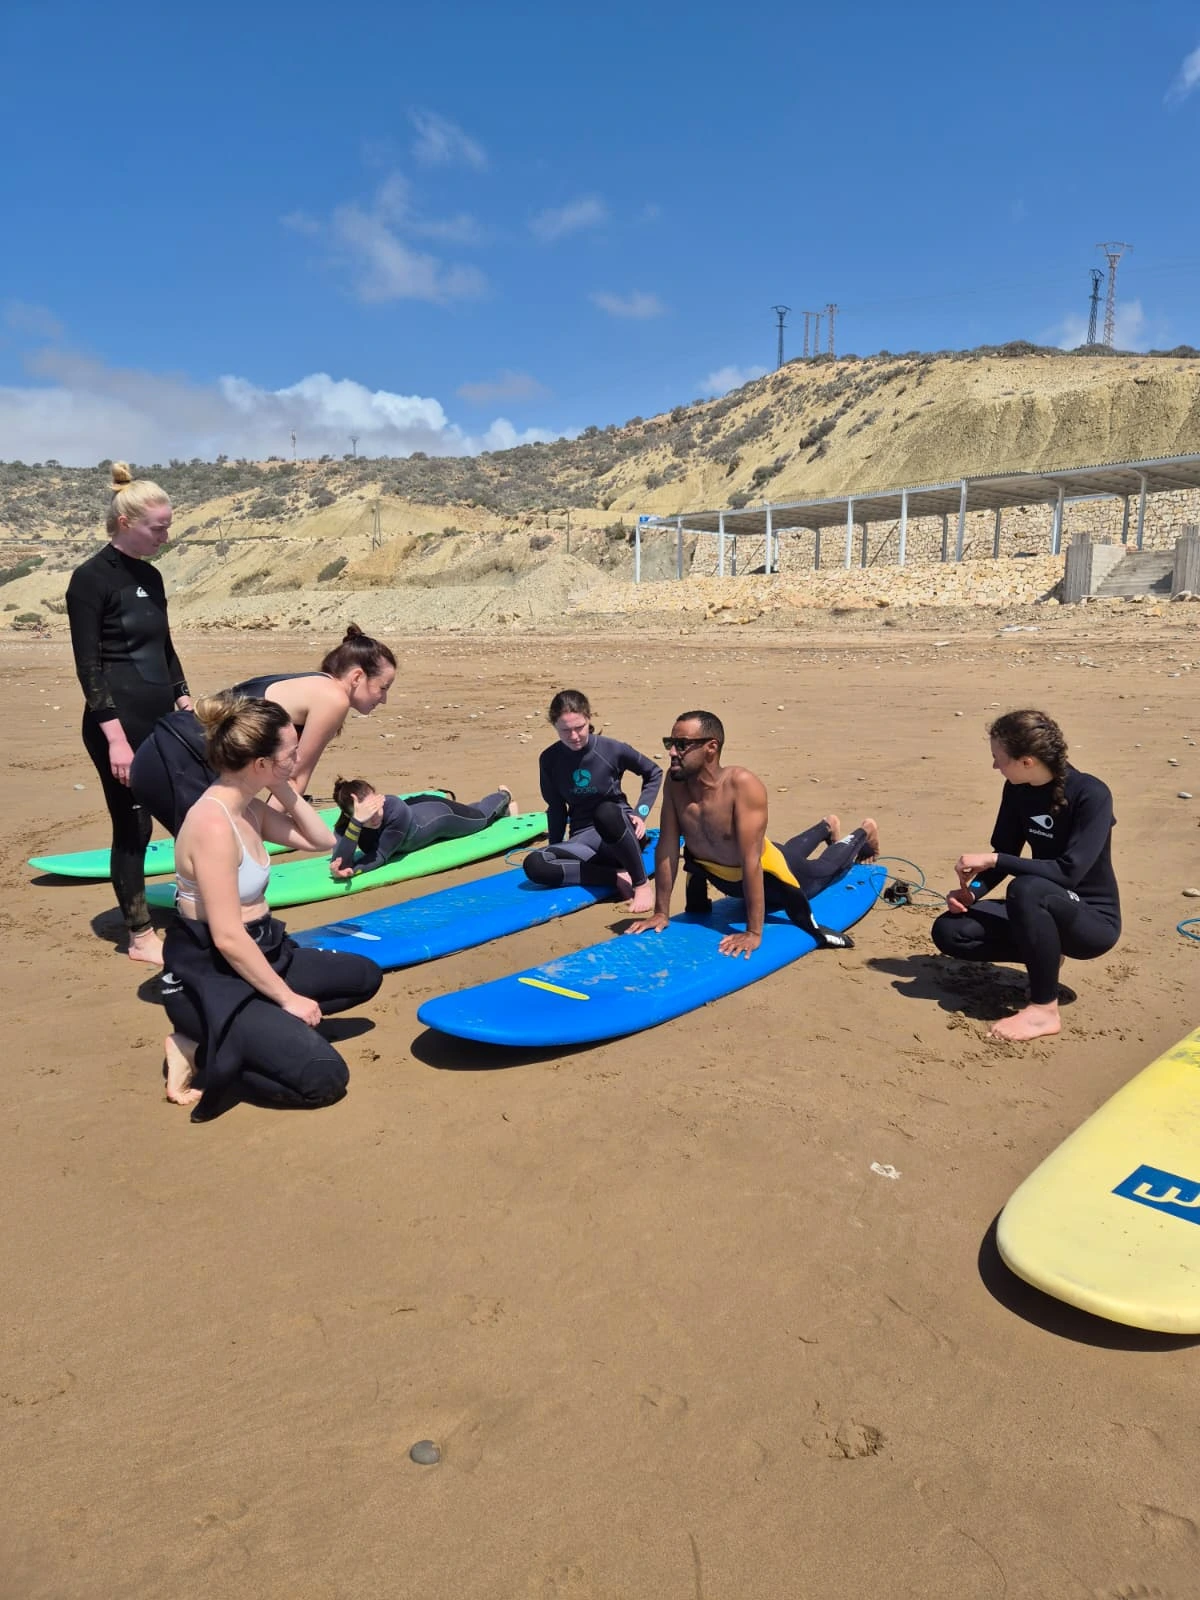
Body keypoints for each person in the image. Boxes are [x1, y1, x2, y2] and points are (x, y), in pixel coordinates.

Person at [159, 693, 382, 1120]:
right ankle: (201, 1045)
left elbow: (320, 841)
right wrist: (289, 1000)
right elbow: (225, 936)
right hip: (215, 972)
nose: (297, 758)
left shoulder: (248, 806)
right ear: (258, 763)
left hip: (266, 952)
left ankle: (258, 1024)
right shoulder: (213, 824)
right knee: (324, 1078)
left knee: (364, 977)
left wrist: (283, 785)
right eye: (289, 753)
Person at [930, 708, 1120, 1042]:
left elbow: (1068, 871)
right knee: (950, 930)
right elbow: (1005, 855)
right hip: (1041, 902)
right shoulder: (1017, 790)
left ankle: (1044, 1010)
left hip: (1091, 919)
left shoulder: (1091, 794)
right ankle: (1046, 952)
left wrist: (993, 859)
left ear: (1027, 761)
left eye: (998, 758)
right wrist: (972, 892)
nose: (994, 766)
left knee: (1028, 888)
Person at [66, 462, 191, 966]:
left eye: (166, 524)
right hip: (119, 725)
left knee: (192, 815)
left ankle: (198, 907)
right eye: (158, 526)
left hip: (164, 719)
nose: (166, 534)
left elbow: (164, 646)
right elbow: (88, 666)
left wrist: (184, 697)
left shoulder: (151, 576)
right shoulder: (90, 579)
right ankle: (140, 934)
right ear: (126, 523)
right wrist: (115, 738)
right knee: (134, 827)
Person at [627, 710, 877, 958]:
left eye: (681, 745)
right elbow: (668, 846)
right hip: (728, 873)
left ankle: (864, 832)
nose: (671, 752)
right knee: (786, 850)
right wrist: (661, 912)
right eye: (670, 743)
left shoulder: (742, 785)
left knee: (823, 870)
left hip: (768, 874)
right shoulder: (675, 782)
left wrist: (754, 932)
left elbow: (752, 861)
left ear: (711, 747)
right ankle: (826, 826)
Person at [131, 623, 398, 834]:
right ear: (357, 677)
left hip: (162, 751)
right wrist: (260, 834)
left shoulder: (314, 684)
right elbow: (293, 778)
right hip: (177, 760)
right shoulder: (333, 698)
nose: (383, 699)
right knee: (218, 856)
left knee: (216, 856)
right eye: (382, 688)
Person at [522, 689, 662, 914]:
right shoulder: (549, 759)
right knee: (535, 864)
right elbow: (556, 808)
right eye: (565, 730)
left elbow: (653, 772)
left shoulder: (612, 749)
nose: (574, 736)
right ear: (554, 727)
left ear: (589, 719)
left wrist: (640, 813)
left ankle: (641, 884)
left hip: (619, 833)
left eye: (580, 727)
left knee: (605, 812)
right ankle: (615, 877)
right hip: (584, 841)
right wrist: (555, 847)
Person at [329, 776, 518, 878]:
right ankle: (504, 811)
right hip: (416, 809)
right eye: (366, 814)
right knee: (468, 810)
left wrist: (355, 870)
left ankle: (503, 796)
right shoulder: (348, 824)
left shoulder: (394, 810)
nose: (374, 816)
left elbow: (380, 855)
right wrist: (357, 822)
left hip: (438, 815)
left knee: (481, 819)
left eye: (376, 808)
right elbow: (340, 862)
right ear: (348, 815)